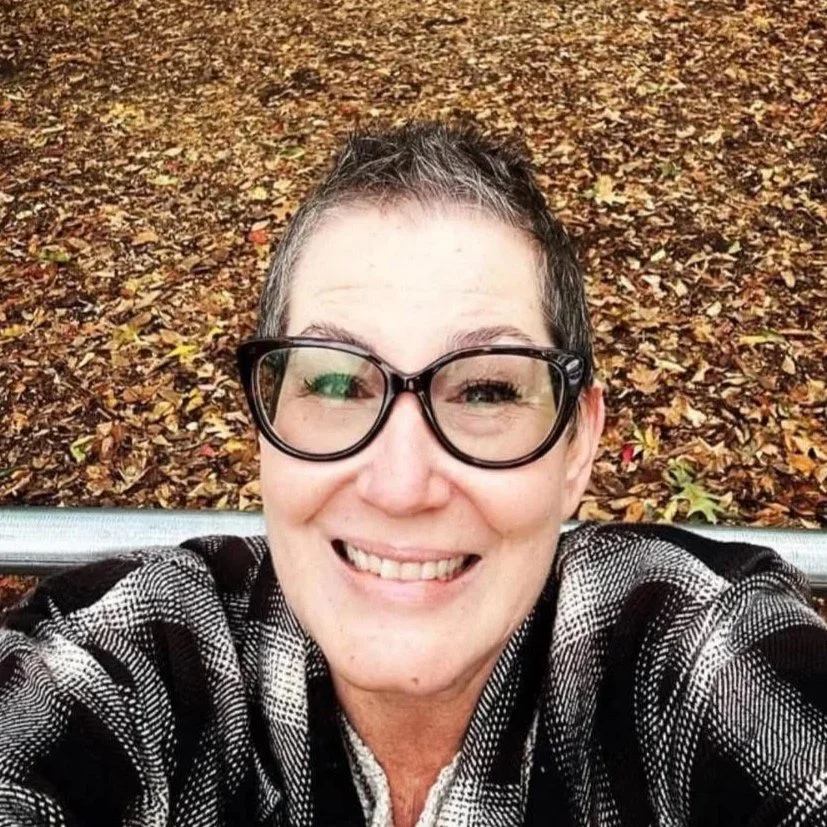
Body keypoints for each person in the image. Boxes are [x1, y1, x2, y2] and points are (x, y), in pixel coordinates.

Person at [1, 122, 826, 827]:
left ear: (577, 443)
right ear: (266, 429)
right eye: (332, 382)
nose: (400, 484)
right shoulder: (136, 655)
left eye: (485, 389)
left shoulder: (692, 661)